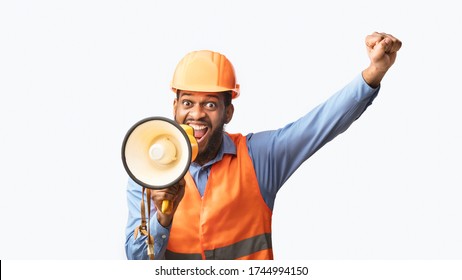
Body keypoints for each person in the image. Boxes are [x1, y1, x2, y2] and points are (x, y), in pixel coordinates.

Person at [125, 32, 402, 260]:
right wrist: (162, 219)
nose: (196, 114)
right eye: (187, 103)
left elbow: (319, 125)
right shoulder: (147, 170)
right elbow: (136, 262)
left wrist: (373, 73)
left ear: (228, 112)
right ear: (174, 107)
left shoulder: (258, 157)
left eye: (210, 104)